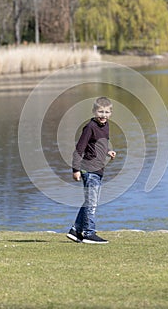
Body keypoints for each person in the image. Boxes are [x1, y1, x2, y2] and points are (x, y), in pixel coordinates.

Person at [67, 97, 116, 244]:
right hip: (89, 170)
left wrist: (108, 151)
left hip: (99, 169)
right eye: (100, 111)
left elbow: (100, 143)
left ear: (111, 113)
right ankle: (88, 233)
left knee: (90, 201)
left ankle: (75, 231)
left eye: (107, 112)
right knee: (92, 203)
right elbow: (79, 149)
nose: (103, 115)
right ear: (94, 111)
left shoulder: (105, 126)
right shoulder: (90, 127)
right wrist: (75, 169)